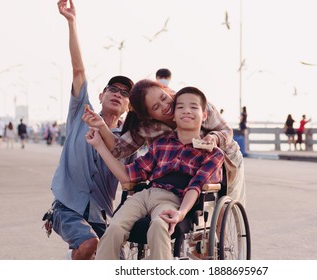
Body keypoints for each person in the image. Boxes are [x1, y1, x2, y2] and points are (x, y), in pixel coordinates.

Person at [86, 86, 225, 260]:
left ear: (205, 115)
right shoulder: (161, 144)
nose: (187, 111)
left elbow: (196, 186)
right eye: (180, 107)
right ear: (173, 115)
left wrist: (181, 212)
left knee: (160, 225)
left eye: (193, 107)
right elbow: (128, 175)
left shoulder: (213, 153)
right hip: (144, 195)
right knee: (114, 228)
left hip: (173, 199)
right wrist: (98, 144)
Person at [47, 0, 135, 260]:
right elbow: (78, 69)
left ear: (129, 106)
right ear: (101, 94)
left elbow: (129, 178)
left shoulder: (128, 141)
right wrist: (72, 23)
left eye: (125, 94)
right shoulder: (81, 114)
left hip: (101, 214)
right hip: (67, 207)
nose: (118, 95)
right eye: (113, 90)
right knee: (88, 244)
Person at [83, 79, 246, 207]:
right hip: (186, 170)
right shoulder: (146, 127)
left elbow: (227, 132)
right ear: (148, 116)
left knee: (222, 210)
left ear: (166, 90)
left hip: (225, 160)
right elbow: (119, 150)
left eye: (164, 97)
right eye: (156, 107)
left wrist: (214, 138)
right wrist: (102, 126)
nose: (166, 106)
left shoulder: (192, 104)